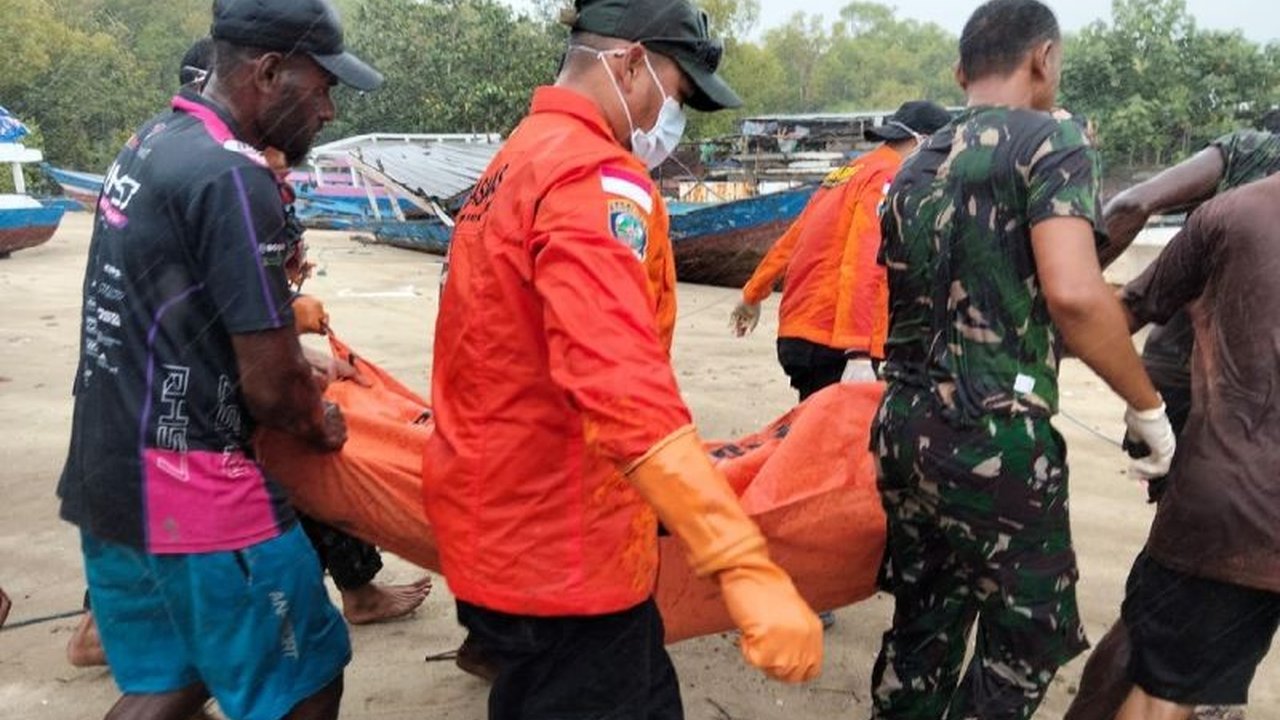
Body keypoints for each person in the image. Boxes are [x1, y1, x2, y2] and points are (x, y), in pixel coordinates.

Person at [423, 0, 824, 716]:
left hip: (504, 525)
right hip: (565, 554)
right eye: (676, 93)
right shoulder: (591, 178)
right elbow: (619, 382)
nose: (673, 118)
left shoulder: (516, 158)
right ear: (631, 63)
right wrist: (740, 561)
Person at [55, 0, 383, 717]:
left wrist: (286, 355)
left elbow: (177, 311)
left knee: (172, 682)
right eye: (322, 88)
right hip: (195, 488)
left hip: (108, 468)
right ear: (268, 73)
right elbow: (272, 390)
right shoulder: (233, 176)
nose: (328, 111)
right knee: (304, 681)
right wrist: (316, 418)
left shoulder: (153, 141)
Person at [869, 1, 1176, 718]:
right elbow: (1075, 295)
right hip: (993, 437)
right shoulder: (1051, 140)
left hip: (902, 426)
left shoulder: (915, 164)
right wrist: (1148, 408)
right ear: (1043, 59)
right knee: (1030, 637)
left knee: (925, 621)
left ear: (960, 73)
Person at [1065, 120, 1280, 720]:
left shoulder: (1237, 199)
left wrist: (1040, 324)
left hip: (1234, 487)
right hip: (1238, 477)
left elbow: (1121, 298)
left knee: (1163, 658)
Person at [730, 100, 952, 397]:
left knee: (814, 420)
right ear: (923, 142)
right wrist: (858, 352)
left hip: (801, 330)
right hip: (836, 340)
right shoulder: (892, 178)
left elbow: (792, 240)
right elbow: (866, 260)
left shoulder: (851, 171)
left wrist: (752, 295)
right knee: (843, 426)